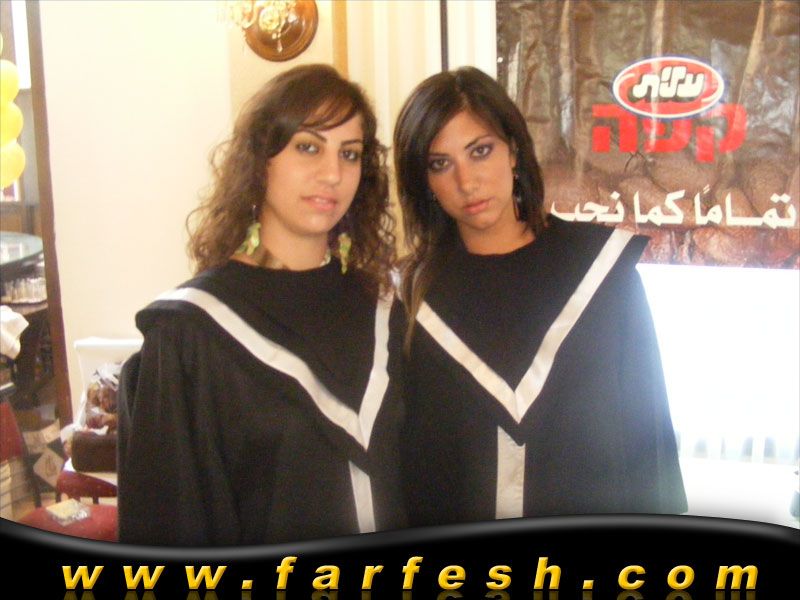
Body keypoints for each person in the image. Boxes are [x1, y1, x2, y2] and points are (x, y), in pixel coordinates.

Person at [117, 64, 405, 546]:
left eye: (349, 154)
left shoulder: (382, 309)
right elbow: (172, 523)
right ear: (259, 159)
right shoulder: (192, 332)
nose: (332, 174)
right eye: (308, 147)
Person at [392, 66, 687, 526]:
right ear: (424, 182)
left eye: (480, 151)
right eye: (440, 164)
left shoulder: (602, 273)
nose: (467, 182)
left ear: (513, 150)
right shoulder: (410, 299)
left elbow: (648, 441)